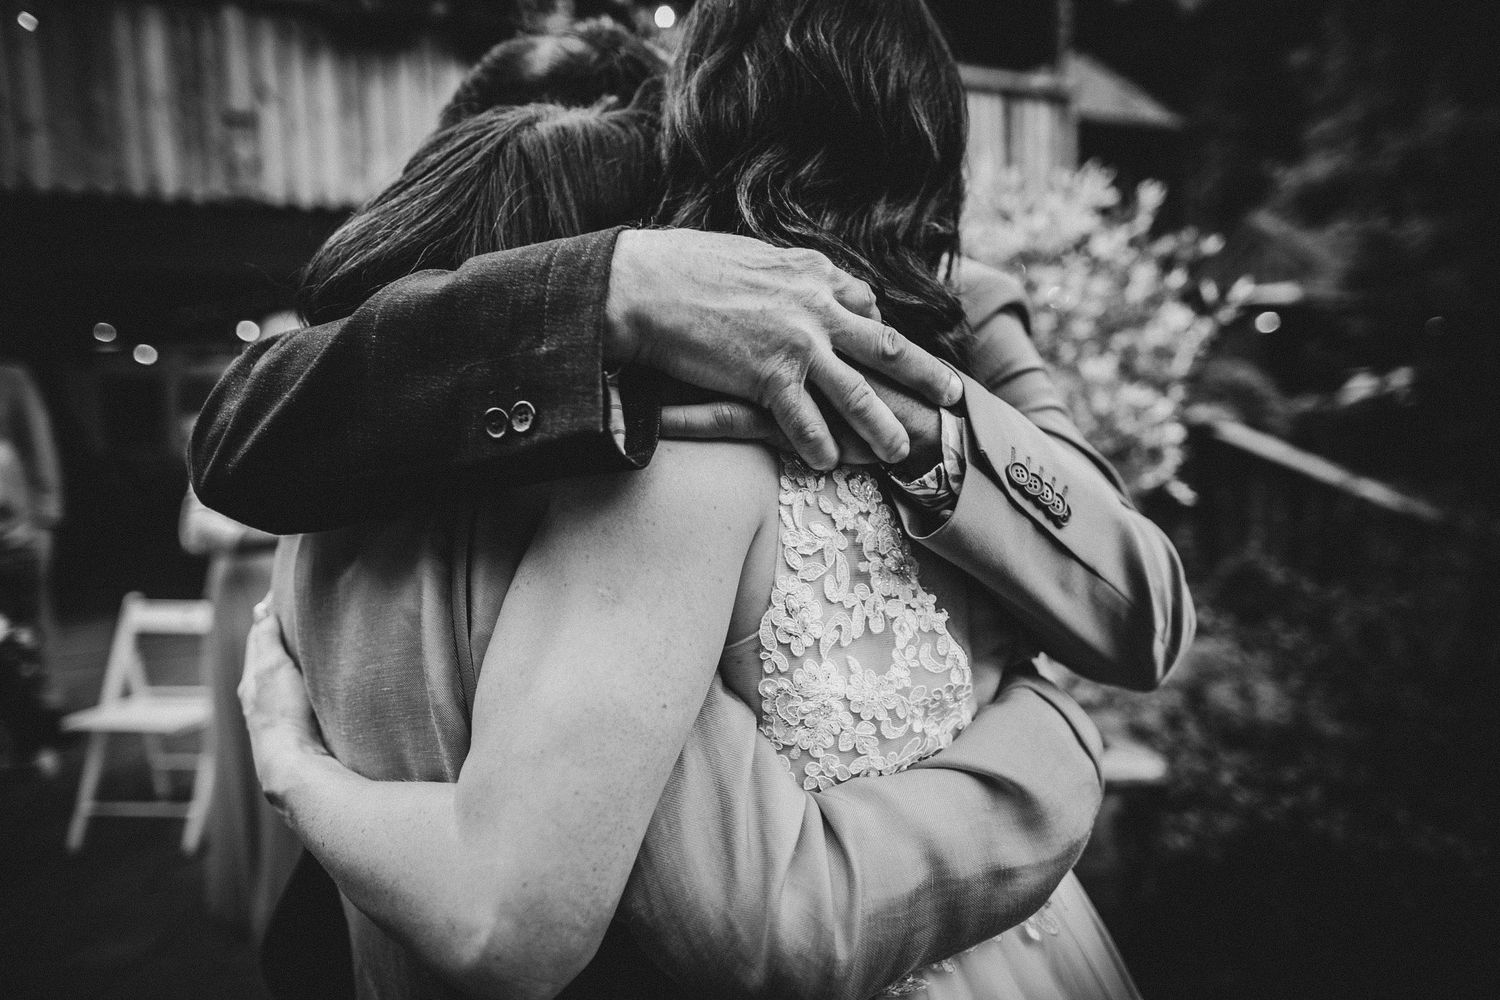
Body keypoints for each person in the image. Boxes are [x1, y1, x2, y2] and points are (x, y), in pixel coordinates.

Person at [237, 2, 1185, 998]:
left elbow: (1144, 595)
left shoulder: (970, 310)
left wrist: (927, 417)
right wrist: (1058, 751)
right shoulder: (661, 449)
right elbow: (740, 916)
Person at [179, 486, 299, 936]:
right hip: (234, 590)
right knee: (241, 730)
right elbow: (193, 530)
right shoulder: (219, 437)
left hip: (279, 580)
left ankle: (290, 888)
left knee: (288, 724)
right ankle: (251, 884)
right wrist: (280, 529)